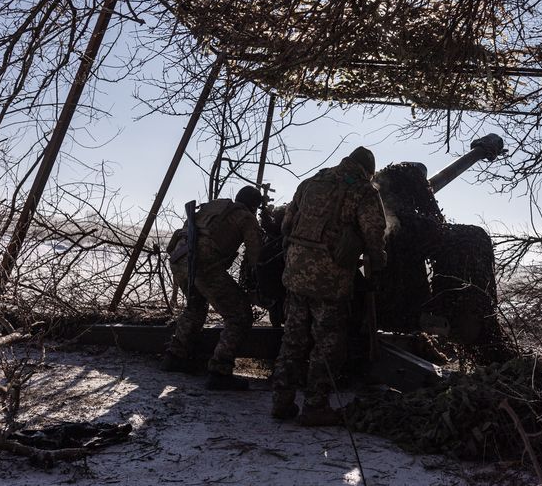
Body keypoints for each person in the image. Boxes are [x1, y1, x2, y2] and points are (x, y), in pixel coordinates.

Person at [271, 146, 387, 426]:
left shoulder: (311, 182)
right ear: (367, 170)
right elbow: (374, 233)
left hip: (296, 273)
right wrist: (379, 263)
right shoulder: (364, 191)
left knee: (293, 338)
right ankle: (315, 406)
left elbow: (287, 225)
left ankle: (281, 402)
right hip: (330, 278)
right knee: (328, 342)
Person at [162, 185, 266, 391]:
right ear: (254, 206)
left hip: (180, 259)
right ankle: (220, 370)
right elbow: (257, 256)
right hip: (202, 264)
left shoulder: (216, 206)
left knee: (195, 306)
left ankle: (175, 355)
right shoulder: (246, 216)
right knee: (240, 315)